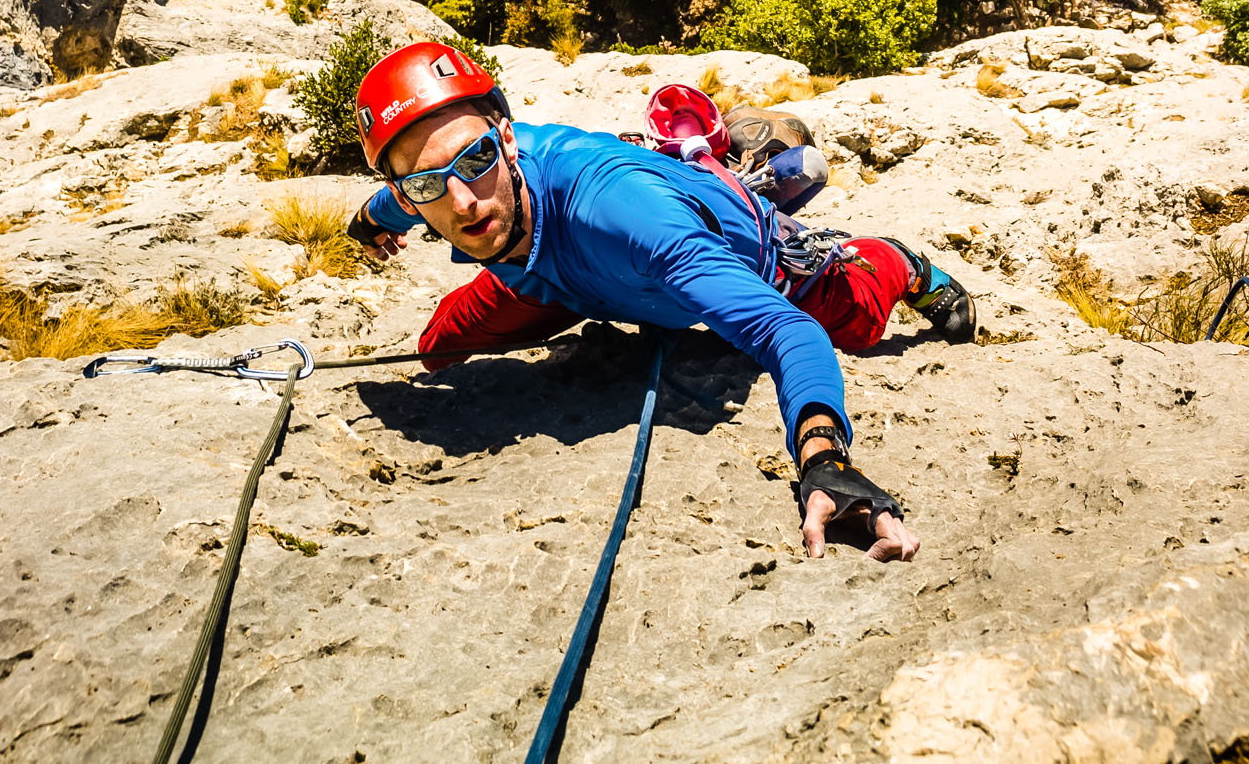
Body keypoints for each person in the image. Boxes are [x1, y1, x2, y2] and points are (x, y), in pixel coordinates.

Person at [347, 42, 975, 563]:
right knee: (439, 348)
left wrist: (822, 460)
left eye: (476, 159)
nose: (461, 203)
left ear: (507, 141)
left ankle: (893, 259)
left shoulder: (626, 216)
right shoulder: (434, 184)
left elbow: (786, 333)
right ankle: (724, 155)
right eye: (427, 184)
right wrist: (369, 223)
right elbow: (399, 195)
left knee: (854, 318)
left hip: (713, 259)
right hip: (563, 275)